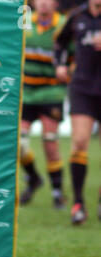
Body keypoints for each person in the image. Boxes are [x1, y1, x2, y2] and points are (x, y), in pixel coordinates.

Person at [54, 0, 101, 225]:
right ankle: (79, 203)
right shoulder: (76, 16)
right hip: (82, 87)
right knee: (80, 142)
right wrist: (61, 64)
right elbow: (59, 44)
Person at [19, 0, 68, 209]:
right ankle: (34, 177)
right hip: (26, 92)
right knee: (19, 145)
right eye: (40, 0)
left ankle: (57, 193)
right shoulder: (23, 22)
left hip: (51, 91)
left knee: (50, 142)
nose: (44, 4)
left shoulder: (66, 24)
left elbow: (76, 53)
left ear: (56, 4)